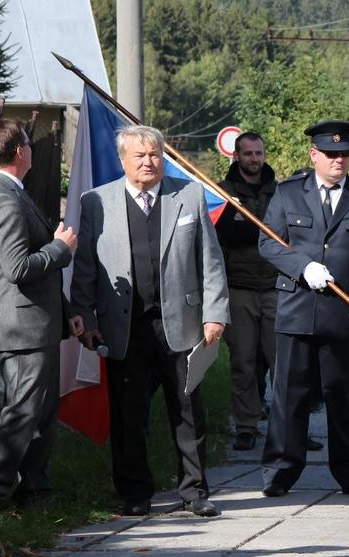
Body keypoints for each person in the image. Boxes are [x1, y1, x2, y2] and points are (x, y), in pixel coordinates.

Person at [69, 125, 229, 518]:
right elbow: (85, 267)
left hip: (182, 323)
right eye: (139, 155)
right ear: (123, 160)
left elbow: (210, 261)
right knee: (127, 412)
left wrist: (215, 314)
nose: (148, 162)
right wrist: (85, 315)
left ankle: (194, 492)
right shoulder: (96, 203)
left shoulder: (188, 196)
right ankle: (135, 493)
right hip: (123, 326)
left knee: (188, 410)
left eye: (155, 154)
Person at [258, 119, 349, 499]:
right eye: (331, 154)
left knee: (344, 396)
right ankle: (280, 470)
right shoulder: (288, 194)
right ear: (314, 155)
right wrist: (302, 266)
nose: (339, 160)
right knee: (289, 395)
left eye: (344, 153)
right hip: (297, 309)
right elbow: (268, 244)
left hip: (344, 312)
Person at [0, 118, 79, 508]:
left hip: (33, 322)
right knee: (24, 411)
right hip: (21, 327)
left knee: (39, 411)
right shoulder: (3, 197)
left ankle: (35, 490)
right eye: (29, 142)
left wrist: (66, 311)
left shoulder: (7, 190)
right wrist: (60, 249)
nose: (33, 149)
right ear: (20, 152)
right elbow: (18, 267)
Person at [216, 132, 278, 451]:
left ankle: (286, 426)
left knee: (280, 360)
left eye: (258, 153)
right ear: (237, 156)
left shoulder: (279, 193)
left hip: (275, 288)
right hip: (238, 288)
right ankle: (246, 425)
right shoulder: (222, 193)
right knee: (243, 361)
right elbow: (217, 240)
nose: (254, 158)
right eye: (248, 153)